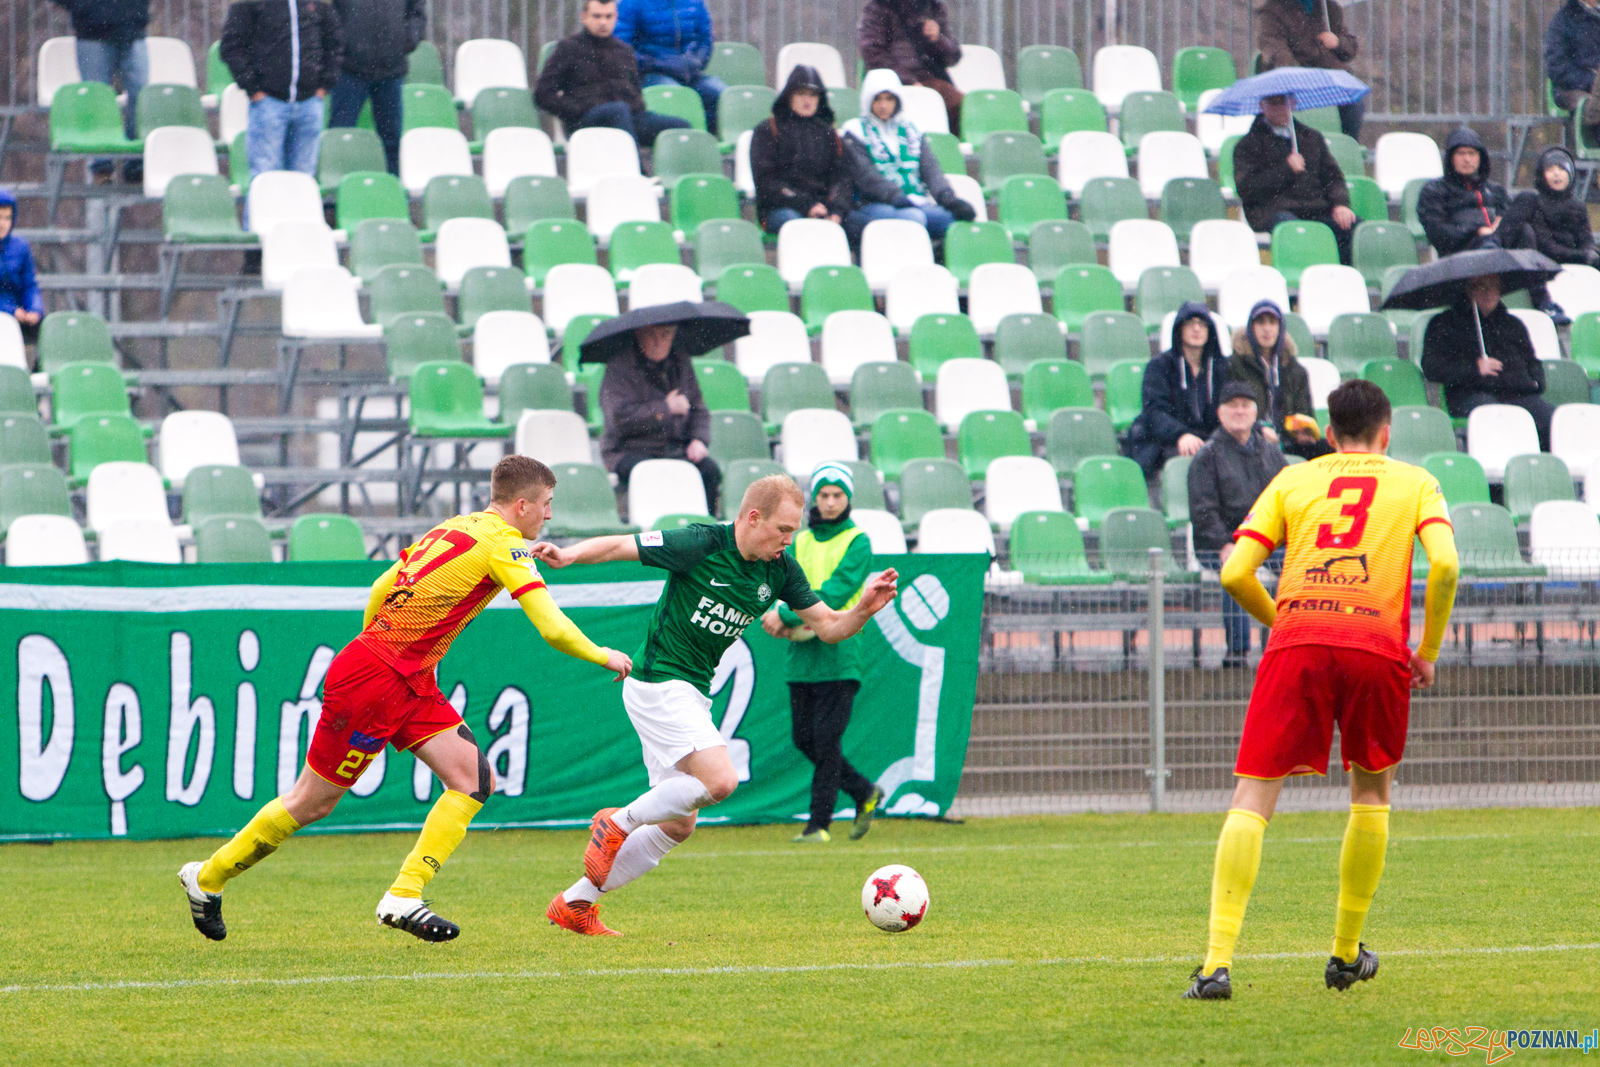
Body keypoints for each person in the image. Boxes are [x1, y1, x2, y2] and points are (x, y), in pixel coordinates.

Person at [177, 457, 634, 943]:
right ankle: (207, 878)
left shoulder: (454, 527)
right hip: (378, 677)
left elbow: (380, 586)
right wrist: (604, 655)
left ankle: (403, 896)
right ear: (522, 505)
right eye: (545, 505)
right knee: (312, 802)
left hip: (402, 675)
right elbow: (552, 627)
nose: (547, 516)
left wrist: (384, 647)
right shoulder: (505, 544)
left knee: (473, 778)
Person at [1184, 379, 1459, 1000]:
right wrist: (1428, 653)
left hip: (1300, 639)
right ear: (1387, 434)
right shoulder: (1415, 481)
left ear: (1329, 436)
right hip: (1375, 645)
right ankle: (1342, 954)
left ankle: (1215, 965)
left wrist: (1283, 621)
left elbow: (1233, 571)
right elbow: (1445, 565)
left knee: (1253, 796)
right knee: (1370, 792)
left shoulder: (1292, 480)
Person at [535, 476, 899, 936]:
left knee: (678, 826)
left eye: (793, 531)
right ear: (753, 518)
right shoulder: (701, 543)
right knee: (722, 780)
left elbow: (827, 626)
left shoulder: (780, 570)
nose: (790, 540)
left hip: (687, 693)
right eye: (783, 529)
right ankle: (618, 822)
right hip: (659, 683)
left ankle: (575, 902)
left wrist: (864, 608)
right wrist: (568, 555)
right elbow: (617, 548)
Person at [759, 463, 887, 844]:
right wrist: (781, 613)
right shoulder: (799, 539)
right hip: (802, 655)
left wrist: (782, 614)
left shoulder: (858, 541)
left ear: (848, 499)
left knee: (827, 740)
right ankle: (864, 791)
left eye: (838, 495)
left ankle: (818, 826)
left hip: (840, 652)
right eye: (824, 495)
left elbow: (836, 590)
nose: (830, 502)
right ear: (814, 498)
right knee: (804, 739)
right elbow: (780, 579)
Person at [1188, 383, 1288, 668]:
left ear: (1256, 412)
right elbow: (1203, 509)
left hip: (1267, 542)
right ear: (1220, 413)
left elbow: (1284, 499)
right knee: (1236, 569)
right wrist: (1224, 543)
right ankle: (1237, 653)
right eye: (1232, 405)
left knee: (1298, 565)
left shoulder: (1271, 453)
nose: (1239, 410)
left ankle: (1280, 645)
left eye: (1246, 405)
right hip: (1222, 544)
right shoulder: (1207, 456)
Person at [839, 69, 976, 246]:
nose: (883, 105)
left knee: (954, 221)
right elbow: (866, 177)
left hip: (913, 202)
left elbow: (931, 170)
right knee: (914, 218)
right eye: (877, 99)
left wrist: (948, 199)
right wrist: (897, 197)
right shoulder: (855, 131)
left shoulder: (912, 130)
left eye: (889, 99)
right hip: (871, 204)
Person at [1421, 273, 1555, 451]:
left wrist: (1536, 382)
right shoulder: (1444, 324)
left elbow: (1532, 361)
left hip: (1517, 393)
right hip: (1470, 394)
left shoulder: (1513, 324)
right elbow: (1432, 367)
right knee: (1493, 417)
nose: (1488, 292)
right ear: (1468, 289)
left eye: (1493, 286)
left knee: (1550, 419)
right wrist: (1474, 368)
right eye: (1481, 286)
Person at [534, 0, 691, 146]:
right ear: (584, 17)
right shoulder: (568, 48)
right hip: (585, 120)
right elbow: (542, 94)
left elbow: (636, 92)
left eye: (608, 16)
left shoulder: (624, 50)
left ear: (615, 17)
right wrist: (575, 110)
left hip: (627, 117)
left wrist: (637, 108)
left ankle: (676, 174)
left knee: (679, 127)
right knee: (618, 111)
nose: (603, 22)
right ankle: (637, 171)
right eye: (597, 16)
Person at [598, 321, 719, 510]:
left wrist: (698, 439)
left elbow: (698, 408)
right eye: (652, 335)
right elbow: (618, 419)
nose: (659, 341)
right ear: (638, 334)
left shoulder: (681, 363)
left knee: (709, 471)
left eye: (666, 335)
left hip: (676, 448)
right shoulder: (619, 367)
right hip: (629, 450)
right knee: (653, 473)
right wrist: (665, 408)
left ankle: (704, 533)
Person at [221, 0, 344, 179]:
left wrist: (325, 85)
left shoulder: (319, 3)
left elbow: (335, 43)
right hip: (268, 104)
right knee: (266, 178)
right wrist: (253, 88)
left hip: (310, 103)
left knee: (304, 179)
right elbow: (232, 46)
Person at [1232, 93, 1355, 264]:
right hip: (1273, 211)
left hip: (1314, 208)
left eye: (1283, 101)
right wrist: (1286, 169)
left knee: (1350, 226)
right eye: (1272, 103)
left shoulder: (1312, 138)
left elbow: (1333, 177)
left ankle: (1342, 280)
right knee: (1292, 229)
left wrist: (1340, 204)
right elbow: (1247, 188)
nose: (1279, 108)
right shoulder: (1248, 145)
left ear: (1293, 103)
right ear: (1262, 105)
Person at [50, 0, 149, 182]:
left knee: (141, 97)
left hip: (132, 28)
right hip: (92, 31)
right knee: (96, 98)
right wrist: (84, 7)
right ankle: (101, 165)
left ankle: (136, 162)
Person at [749, 65, 855, 235]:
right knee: (801, 227)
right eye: (801, 93)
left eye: (813, 94)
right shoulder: (768, 130)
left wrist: (836, 211)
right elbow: (766, 182)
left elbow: (842, 178)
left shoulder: (829, 133)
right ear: (789, 96)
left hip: (825, 208)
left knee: (862, 225)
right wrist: (807, 206)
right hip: (782, 208)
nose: (807, 100)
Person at [1125, 302, 1226, 479]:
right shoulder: (1159, 366)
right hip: (1171, 442)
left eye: (1202, 324)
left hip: (1212, 442)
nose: (1196, 329)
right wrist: (1181, 434)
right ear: (1179, 328)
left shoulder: (1222, 368)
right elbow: (1154, 411)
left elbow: (1230, 407)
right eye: (1190, 323)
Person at [326, 0, 427, 176]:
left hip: (391, 70)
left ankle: (392, 190)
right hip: (350, 70)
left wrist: (409, 39)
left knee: (392, 139)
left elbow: (417, 12)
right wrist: (341, 42)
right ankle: (334, 194)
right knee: (340, 134)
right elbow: (328, 11)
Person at [1227, 299, 1333, 462]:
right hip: (1250, 437)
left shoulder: (1296, 370)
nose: (1267, 329)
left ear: (1280, 328)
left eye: (1272, 322)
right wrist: (1259, 429)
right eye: (1260, 322)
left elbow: (1304, 413)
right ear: (1251, 327)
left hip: (1287, 440)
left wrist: (1304, 431)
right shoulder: (1235, 365)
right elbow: (1230, 411)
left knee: (1330, 449)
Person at [1499, 145, 1596, 323]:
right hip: (1547, 265)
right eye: (1550, 169)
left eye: (1561, 169)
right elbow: (1548, 247)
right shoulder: (1535, 202)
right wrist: (1583, 256)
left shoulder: (1578, 206)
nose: (1556, 174)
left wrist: (1591, 253)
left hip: (1575, 262)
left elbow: (1586, 240)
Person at [1254, 0, 1364, 139]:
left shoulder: (1329, 8)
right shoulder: (1271, 11)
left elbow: (1350, 50)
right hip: (1289, 82)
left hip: (1327, 79)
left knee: (1354, 102)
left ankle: (1345, 146)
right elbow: (1277, 53)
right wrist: (1304, 77)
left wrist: (1337, 42)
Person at [615, 0, 723, 138]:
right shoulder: (631, 4)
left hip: (691, 74)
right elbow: (623, 46)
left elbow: (706, 39)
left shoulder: (695, 2)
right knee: (679, 98)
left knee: (723, 95)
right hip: (652, 74)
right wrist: (658, 63)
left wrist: (697, 61)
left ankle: (712, 145)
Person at [857, 0, 963, 136]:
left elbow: (954, 57)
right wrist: (908, 81)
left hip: (931, 80)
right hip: (893, 83)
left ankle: (948, 150)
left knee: (963, 108)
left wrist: (938, 38)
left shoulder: (934, 7)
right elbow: (873, 54)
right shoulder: (878, 7)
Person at [1416, 128, 1510, 259]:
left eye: (1472, 153)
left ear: (1480, 157)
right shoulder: (1434, 190)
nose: (1467, 159)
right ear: (1451, 158)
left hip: (1500, 243)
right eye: (1461, 153)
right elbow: (1438, 234)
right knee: (1489, 243)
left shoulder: (1496, 191)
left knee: (1526, 204)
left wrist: (1503, 221)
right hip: (1462, 251)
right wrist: (1477, 231)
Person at [0, 190, 44, 345]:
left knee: (47, 330)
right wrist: (10, 310)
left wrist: (34, 309)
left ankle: (36, 369)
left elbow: (29, 285)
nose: (2, 224)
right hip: (6, 313)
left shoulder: (20, 247)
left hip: (19, 313)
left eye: (7, 218)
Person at [1544, 0, 1600, 119]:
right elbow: (1556, 68)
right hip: (1576, 90)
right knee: (1594, 106)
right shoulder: (1563, 20)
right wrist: (1592, 81)